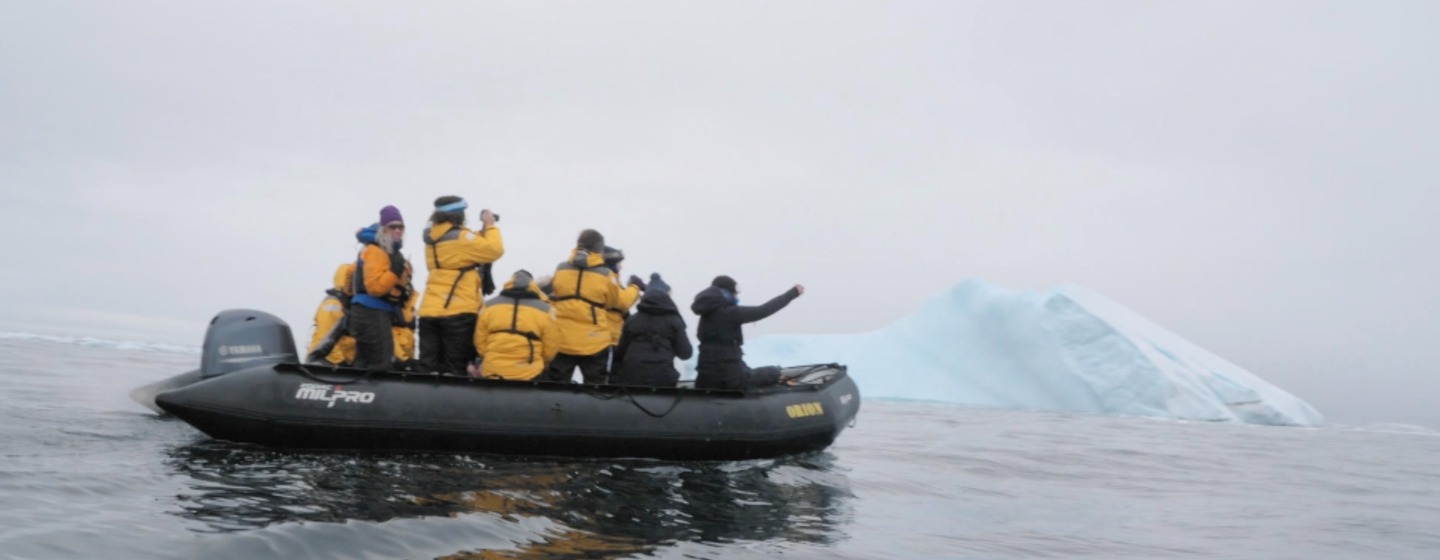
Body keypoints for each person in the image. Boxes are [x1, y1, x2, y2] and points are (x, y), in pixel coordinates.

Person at [417, 196, 503, 375]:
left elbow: (460, 248)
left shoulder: (432, 239)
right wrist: (490, 226)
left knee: (428, 369)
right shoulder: (462, 237)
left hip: (429, 311)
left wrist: (479, 234)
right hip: (458, 313)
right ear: (458, 214)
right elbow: (494, 250)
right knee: (456, 371)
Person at [691, 276, 804, 391]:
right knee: (772, 372)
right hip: (730, 380)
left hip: (705, 380)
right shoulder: (730, 313)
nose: (736, 297)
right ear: (726, 293)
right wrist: (792, 294)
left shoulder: (705, 317)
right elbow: (762, 311)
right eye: (735, 294)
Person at [542, 229, 622, 384]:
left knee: (556, 387)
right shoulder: (606, 274)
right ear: (599, 248)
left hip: (562, 338)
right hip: (595, 341)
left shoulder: (561, 268)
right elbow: (612, 302)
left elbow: (555, 292)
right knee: (596, 389)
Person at [350, 205, 412, 371]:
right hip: (371, 312)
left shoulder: (388, 251)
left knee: (363, 364)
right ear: (384, 229)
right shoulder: (376, 250)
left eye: (401, 227)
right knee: (381, 365)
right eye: (393, 226)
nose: (398, 230)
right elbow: (375, 288)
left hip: (370, 313)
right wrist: (394, 271)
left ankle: (355, 394)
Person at [471, 270, 561, 380]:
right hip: (531, 372)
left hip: (493, 370)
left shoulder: (489, 306)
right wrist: (541, 360)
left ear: (509, 283)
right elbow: (551, 345)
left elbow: (480, 340)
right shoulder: (545, 310)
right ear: (533, 285)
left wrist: (488, 356)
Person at [611, 273, 692, 387]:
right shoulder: (674, 321)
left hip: (632, 378)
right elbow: (686, 353)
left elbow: (619, 353)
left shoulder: (633, 320)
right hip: (664, 379)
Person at [305, 263, 357, 366]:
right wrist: (342, 363)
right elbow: (324, 339)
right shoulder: (333, 304)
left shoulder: (349, 305)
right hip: (326, 362)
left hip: (341, 363)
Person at [601, 246, 644, 362]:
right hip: (607, 337)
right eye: (618, 263)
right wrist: (635, 287)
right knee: (604, 375)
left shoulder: (610, 280)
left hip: (610, 336)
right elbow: (622, 302)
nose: (621, 266)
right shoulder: (606, 279)